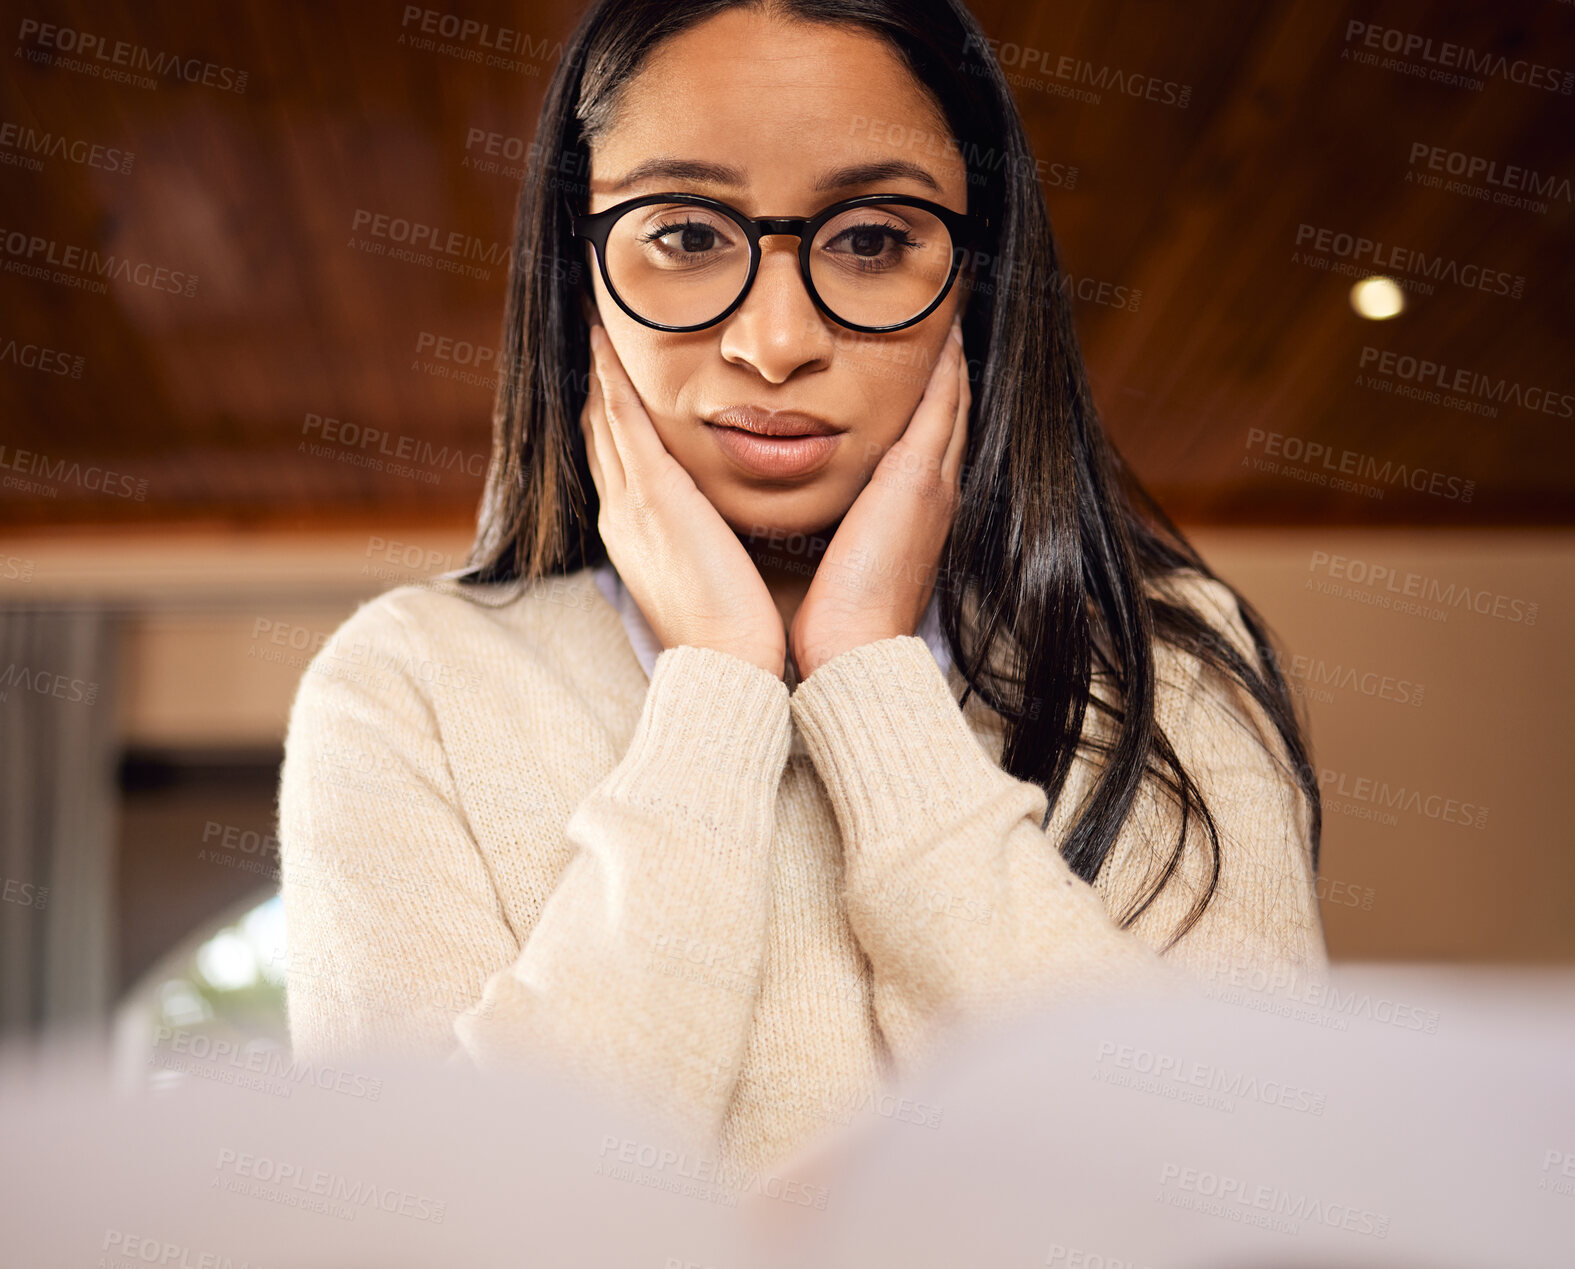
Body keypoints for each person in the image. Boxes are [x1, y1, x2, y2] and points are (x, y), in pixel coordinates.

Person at [277, 0, 1328, 1178]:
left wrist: (872, 684)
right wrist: (717, 685)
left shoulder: (1160, 662)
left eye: (873, 239)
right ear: (580, 269)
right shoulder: (409, 683)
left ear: (978, 278)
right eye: (683, 234)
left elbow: (1233, 1201)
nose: (775, 342)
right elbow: (447, 1221)